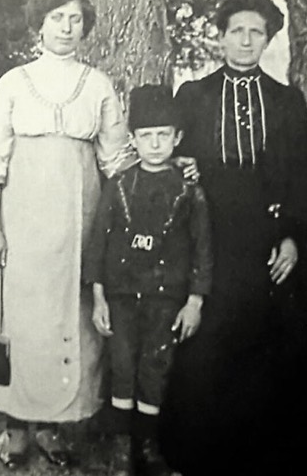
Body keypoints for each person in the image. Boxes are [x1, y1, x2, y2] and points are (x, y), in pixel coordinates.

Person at [158, 0, 307, 476]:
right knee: (208, 339)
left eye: (256, 32)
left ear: (268, 38)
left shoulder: (286, 100)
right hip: (210, 234)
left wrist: (293, 236)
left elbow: (301, 175)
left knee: (273, 342)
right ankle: (200, 452)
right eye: (237, 30)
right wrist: (182, 164)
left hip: (266, 235)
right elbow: (172, 159)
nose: (246, 40)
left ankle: (269, 454)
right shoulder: (193, 95)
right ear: (220, 37)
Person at [0, 0, 134, 470]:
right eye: (56, 19)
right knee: (19, 321)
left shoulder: (99, 84)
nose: (66, 29)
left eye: (75, 20)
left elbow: (119, 160)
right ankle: (14, 428)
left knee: (72, 319)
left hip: (80, 223)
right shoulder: (14, 83)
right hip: (21, 222)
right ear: (39, 24)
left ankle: (56, 426)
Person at [84, 85, 212, 476]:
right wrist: (100, 298)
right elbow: (98, 247)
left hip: (166, 298)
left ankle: (147, 444)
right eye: (146, 136)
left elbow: (203, 248)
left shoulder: (190, 191)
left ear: (177, 138)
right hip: (121, 297)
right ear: (133, 140)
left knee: (155, 367)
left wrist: (195, 301)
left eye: (163, 136)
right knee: (122, 365)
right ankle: (122, 447)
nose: (155, 144)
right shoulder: (119, 185)